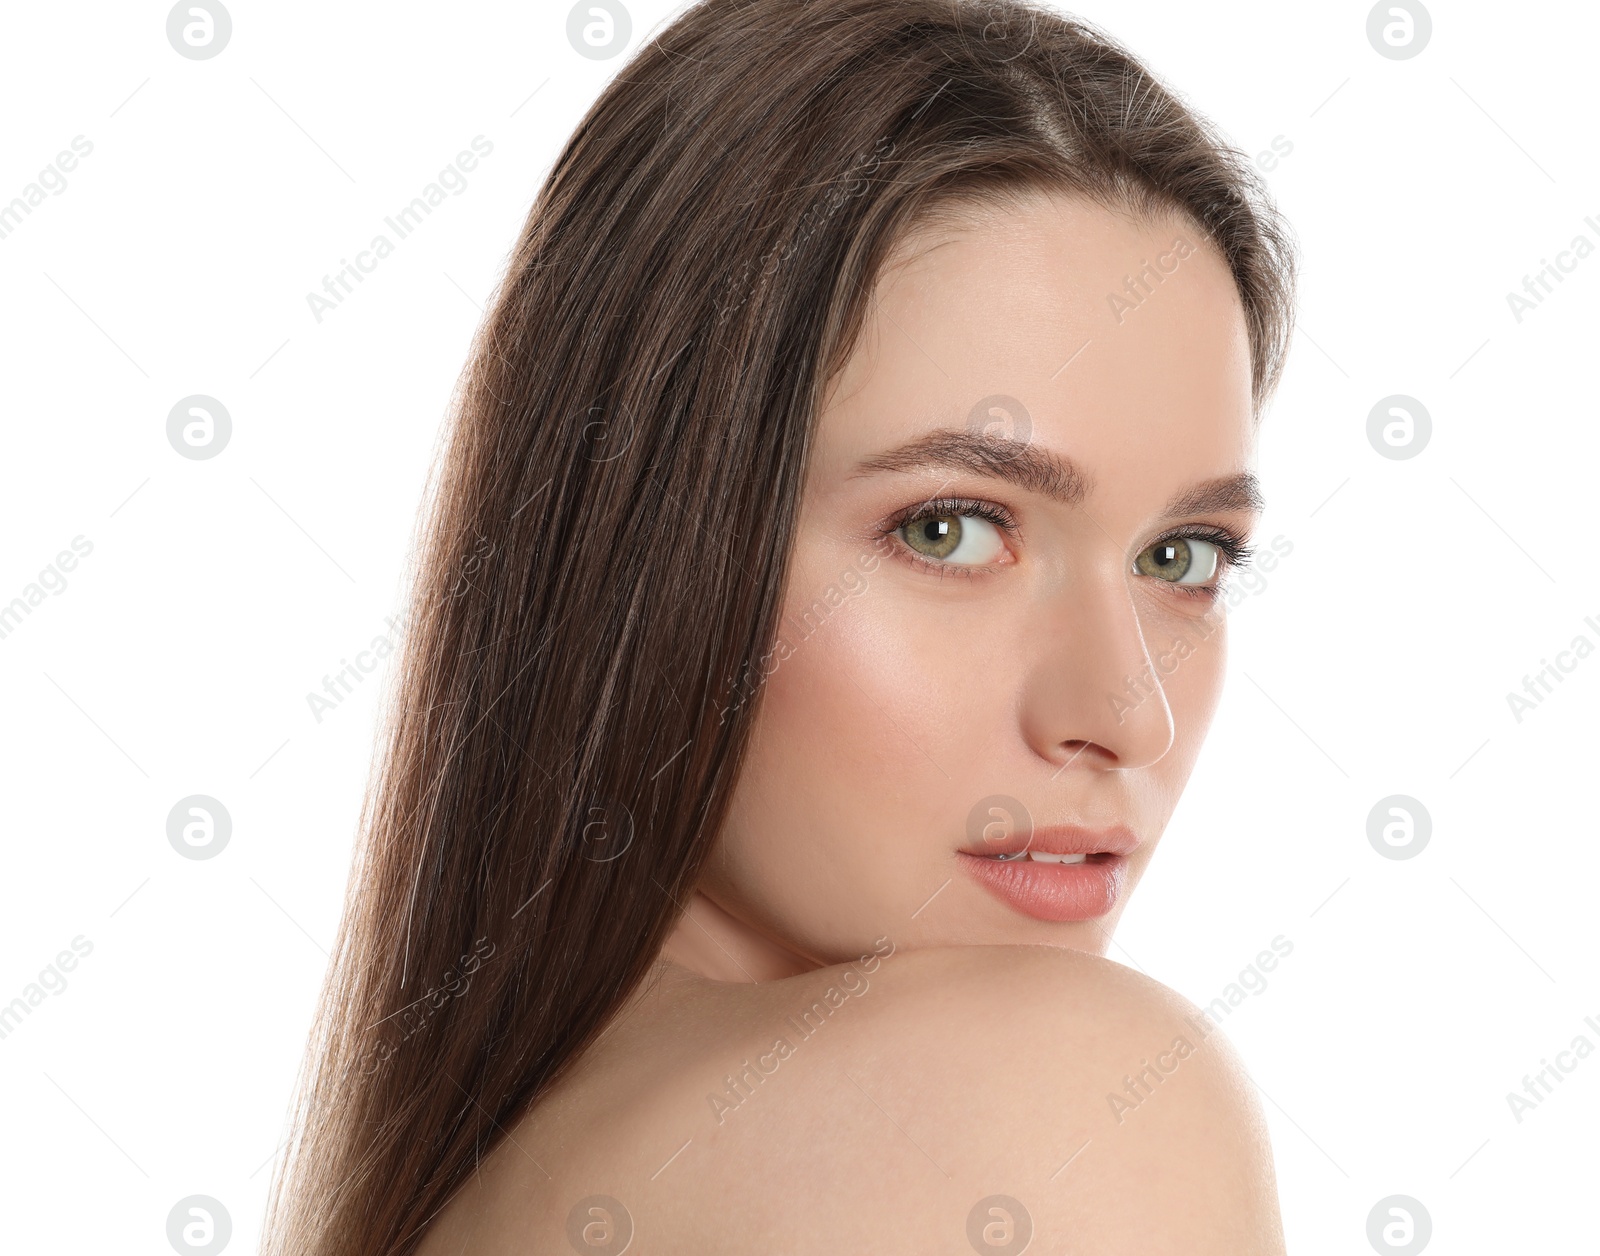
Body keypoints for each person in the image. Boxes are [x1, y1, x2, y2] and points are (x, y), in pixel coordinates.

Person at [262, 1, 1298, 1251]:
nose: (1128, 713)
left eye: (1183, 558)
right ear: (645, 543)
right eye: (950, 529)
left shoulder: (486, 1185)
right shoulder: (1069, 1100)